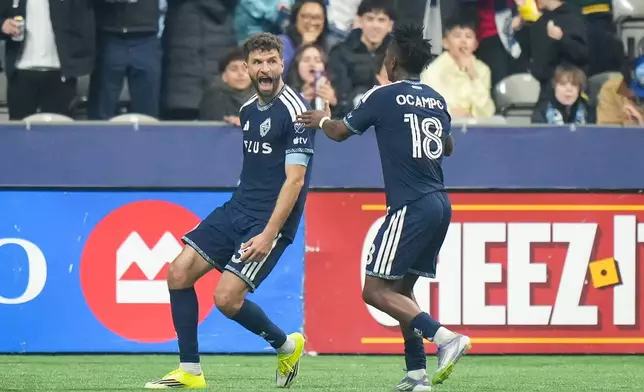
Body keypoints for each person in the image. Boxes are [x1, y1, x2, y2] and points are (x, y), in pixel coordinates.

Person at [296, 24, 470, 391]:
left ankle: (445, 338)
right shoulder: (436, 99)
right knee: (401, 291)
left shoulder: (384, 94)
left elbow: (341, 132)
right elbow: (449, 147)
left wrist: (323, 118)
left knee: (374, 290)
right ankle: (417, 374)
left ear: (392, 61)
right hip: (439, 202)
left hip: (411, 203)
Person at [145, 32, 315, 389]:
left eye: (272, 61)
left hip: (268, 220)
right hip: (237, 207)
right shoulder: (247, 109)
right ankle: (190, 371)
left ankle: (285, 345)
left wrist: (269, 235)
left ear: (282, 64)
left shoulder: (297, 112)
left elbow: (295, 181)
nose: (265, 68)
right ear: (247, 68)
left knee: (225, 298)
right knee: (178, 273)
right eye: (257, 62)